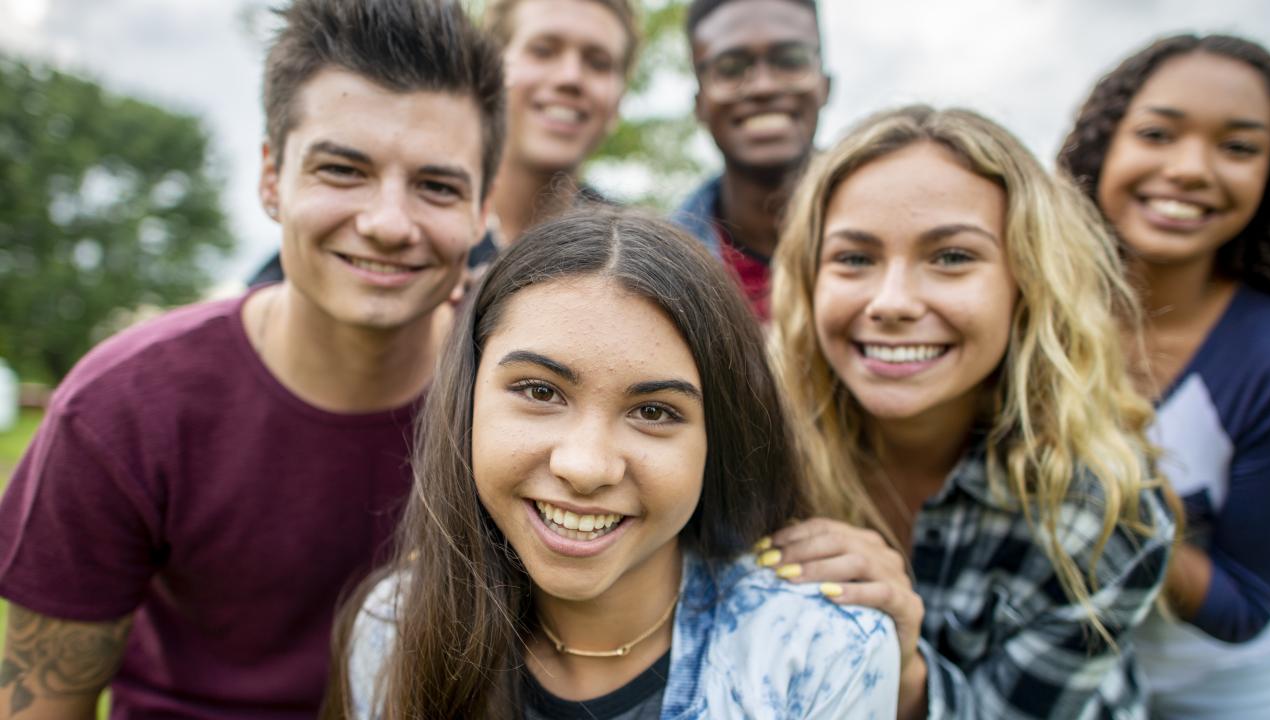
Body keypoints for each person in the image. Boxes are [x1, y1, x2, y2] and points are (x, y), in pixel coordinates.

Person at [0, 0, 504, 716]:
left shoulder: (517, 400)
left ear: (482, 211)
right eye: (342, 170)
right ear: (272, 178)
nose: (389, 223)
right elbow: (41, 704)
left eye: (437, 186)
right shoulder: (120, 408)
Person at [325, 209, 900, 719]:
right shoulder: (393, 632)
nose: (586, 466)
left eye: (653, 410)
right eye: (540, 391)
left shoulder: (823, 655)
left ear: (718, 438)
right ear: (468, 399)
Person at [768, 105, 1175, 719]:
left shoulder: (1104, 510)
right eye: (854, 258)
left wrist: (904, 671)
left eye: (952, 257)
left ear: (1029, 283)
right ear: (808, 281)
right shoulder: (750, 456)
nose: (893, 302)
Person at [1059, 34, 1270, 719]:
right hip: (1056, 686)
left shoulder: (1268, 356)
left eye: (1238, 148)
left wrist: (1115, 503)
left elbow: (1244, 607)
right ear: (1104, 145)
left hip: (1217, 699)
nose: (1190, 169)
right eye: (1157, 133)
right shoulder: (1034, 312)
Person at [249, 0, 637, 287]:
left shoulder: (632, 252)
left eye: (598, 62)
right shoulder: (339, 246)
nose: (571, 77)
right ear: (490, 72)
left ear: (619, 99)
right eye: (543, 50)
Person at [673, 0, 830, 321]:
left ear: (825, 85)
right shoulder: (659, 273)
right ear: (699, 103)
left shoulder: (902, 230)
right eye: (730, 68)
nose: (764, 86)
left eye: (789, 61)